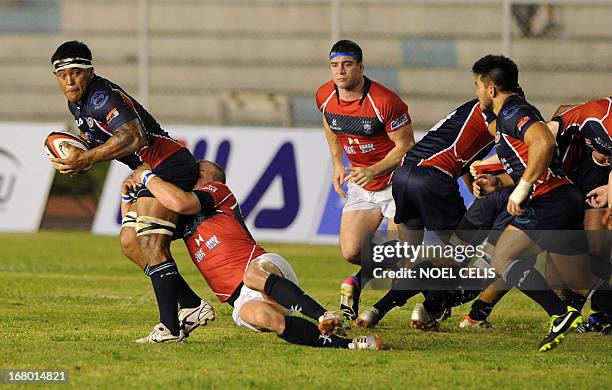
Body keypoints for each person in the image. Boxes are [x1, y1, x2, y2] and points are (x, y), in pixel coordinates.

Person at [122, 160, 382, 350]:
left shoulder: (218, 193)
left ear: (215, 179)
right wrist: (128, 198)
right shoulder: (181, 218)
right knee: (266, 318)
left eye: (201, 171)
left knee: (252, 275)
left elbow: (182, 202)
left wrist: (147, 178)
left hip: (262, 265)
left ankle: (323, 314)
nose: (194, 173)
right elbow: (138, 240)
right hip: (238, 298)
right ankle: (348, 344)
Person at [48, 40, 211, 342]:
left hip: (168, 162)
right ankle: (190, 305)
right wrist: (80, 157)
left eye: (75, 73)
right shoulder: (77, 103)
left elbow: (134, 137)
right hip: (147, 170)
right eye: (62, 75)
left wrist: (86, 157)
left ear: (90, 72)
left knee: (150, 243)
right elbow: (97, 141)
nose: (69, 81)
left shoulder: (101, 97)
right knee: (130, 244)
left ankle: (170, 329)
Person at [472, 54, 612, 351]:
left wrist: (521, 190)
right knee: (582, 282)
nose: (477, 93)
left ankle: (559, 315)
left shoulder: (512, 112)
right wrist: (499, 182)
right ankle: (585, 310)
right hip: (563, 199)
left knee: (502, 258)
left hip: (548, 201)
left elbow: (545, 143)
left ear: (491, 90)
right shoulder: (510, 115)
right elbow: (534, 161)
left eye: (477, 86)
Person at [354, 97, 497, 329]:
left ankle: (359, 285)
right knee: (458, 253)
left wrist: (473, 184)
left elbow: (463, 156)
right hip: (433, 177)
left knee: (407, 251)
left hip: (403, 173)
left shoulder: (462, 113)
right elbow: (512, 148)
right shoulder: (498, 114)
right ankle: (431, 307)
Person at [315, 40, 415, 320]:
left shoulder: (385, 101)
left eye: (347, 65)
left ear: (360, 66)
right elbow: (330, 124)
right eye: (335, 66)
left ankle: (431, 303)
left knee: (403, 255)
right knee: (351, 250)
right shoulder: (324, 95)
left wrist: (375, 169)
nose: (340, 71)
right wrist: (337, 163)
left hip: (396, 181)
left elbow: (406, 145)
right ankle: (367, 279)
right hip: (361, 180)